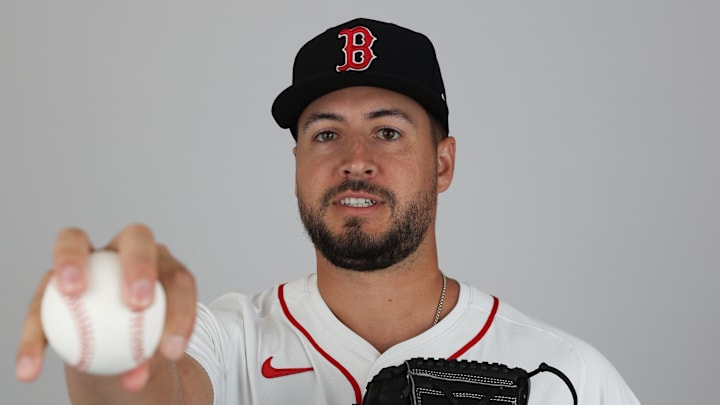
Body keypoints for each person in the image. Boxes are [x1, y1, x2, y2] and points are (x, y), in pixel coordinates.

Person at [16, 18, 640, 404]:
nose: (356, 160)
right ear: (297, 163)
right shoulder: (224, 340)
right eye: (326, 134)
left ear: (443, 163)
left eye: (388, 132)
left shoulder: (566, 377)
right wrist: (110, 336)